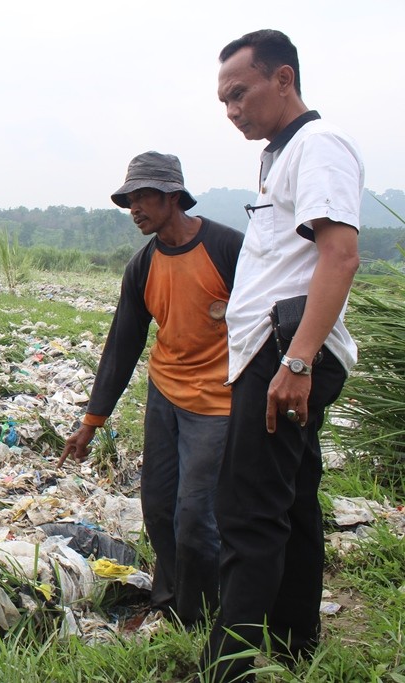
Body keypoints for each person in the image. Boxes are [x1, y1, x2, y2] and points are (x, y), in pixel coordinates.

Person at [202, 29, 364, 682]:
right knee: (292, 502)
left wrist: (295, 363)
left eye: (240, 93)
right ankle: (297, 643)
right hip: (272, 350)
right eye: (223, 101)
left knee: (247, 512)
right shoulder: (277, 156)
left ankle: (228, 667)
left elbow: (340, 254)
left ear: (284, 80)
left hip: (285, 353)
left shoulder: (319, 147)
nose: (233, 109)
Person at [58, 151, 243, 628]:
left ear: (172, 196)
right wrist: (90, 422)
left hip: (219, 403)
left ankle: (199, 616)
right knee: (158, 505)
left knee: (196, 516)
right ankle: (169, 599)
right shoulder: (142, 266)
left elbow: (263, 322)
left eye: (142, 197)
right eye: (129, 199)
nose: (134, 208)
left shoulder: (228, 249)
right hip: (166, 394)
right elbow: (122, 345)